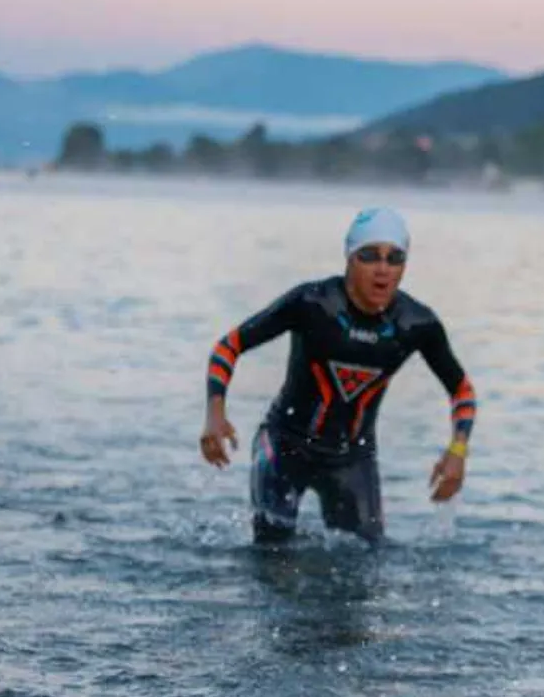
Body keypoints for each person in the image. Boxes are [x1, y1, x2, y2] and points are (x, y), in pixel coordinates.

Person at [198, 206, 478, 544]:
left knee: (365, 568)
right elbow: (229, 346)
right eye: (370, 256)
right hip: (285, 447)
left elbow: (461, 389)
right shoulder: (313, 303)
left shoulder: (416, 324)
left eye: (395, 259)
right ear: (349, 259)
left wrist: (457, 450)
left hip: (352, 459)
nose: (383, 270)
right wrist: (215, 414)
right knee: (272, 559)